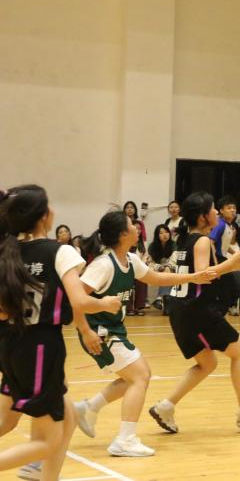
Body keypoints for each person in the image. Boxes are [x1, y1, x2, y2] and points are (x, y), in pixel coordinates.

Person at [0, 185, 121, 481]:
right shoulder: (60, 251)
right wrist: (106, 303)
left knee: (65, 420)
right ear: (43, 216)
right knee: (48, 441)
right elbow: (79, 301)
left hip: (10, 344)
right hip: (41, 346)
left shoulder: (7, 251)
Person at [73, 210, 215, 457]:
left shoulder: (130, 259)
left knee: (137, 376)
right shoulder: (103, 265)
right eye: (132, 225)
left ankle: (89, 408)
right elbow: (75, 299)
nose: (137, 228)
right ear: (122, 234)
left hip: (114, 329)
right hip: (99, 332)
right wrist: (86, 331)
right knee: (140, 376)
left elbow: (157, 278)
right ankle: (124, 440)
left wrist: (194, 277)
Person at [148, 192, 240, 433]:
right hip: (196, 312)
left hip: (182, 311)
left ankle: (165, 406)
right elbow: (203, 275)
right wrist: (231, 265)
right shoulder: (202, 241)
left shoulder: (186, 240)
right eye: (213, 209)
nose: (216, 211)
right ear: (203, 217)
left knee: (207, 363)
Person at [211, 196, 240, 316]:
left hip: (223, 258)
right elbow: (210, 241)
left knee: (232, 290)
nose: (232, 210)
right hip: (218, 259)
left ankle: (220, 313)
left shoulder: (230, 226)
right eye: (229, 208)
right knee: (238, 287)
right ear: (221, 210)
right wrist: (215, 262)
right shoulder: (220, 224)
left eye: (234, 208)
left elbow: (225, 245)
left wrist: (236, 254)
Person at [122, 201, 148, 316]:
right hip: (126, 267)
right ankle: (128, 307)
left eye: (132, 207)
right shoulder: (124, 241)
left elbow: (145, 257)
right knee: (127, 281)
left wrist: (141, 266)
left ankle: (139, 306)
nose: (129, 209)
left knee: (141, 279)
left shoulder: (143, 243)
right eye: (127, 207)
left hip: (139, 267)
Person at [146, 225, 176, 314]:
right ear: (157, 235)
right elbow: (150, 262)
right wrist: (159, 267)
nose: (164, 235)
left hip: (171, 268)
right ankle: (165, 303)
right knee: (164, 272)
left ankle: (160, 298)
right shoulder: (152, 246)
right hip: (156, 268)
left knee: (167, 271)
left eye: (166, 232)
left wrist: (167, 267)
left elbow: (174, 260)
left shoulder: (174, 245)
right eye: (161, 233)